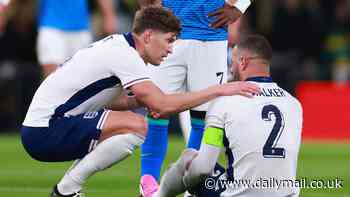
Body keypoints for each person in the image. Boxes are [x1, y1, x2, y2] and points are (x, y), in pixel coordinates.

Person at [20, 6, 260, 197]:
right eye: (168, 40)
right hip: (45, 131)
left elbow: (121, 102)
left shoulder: (118, 46)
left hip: (45, 126)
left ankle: (68, 189)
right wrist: (219, 90)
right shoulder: (125, 57)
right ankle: (67, 189)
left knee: (133, 122)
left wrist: (156, 101)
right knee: (137, 126)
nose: (170, 49)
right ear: (148, 36)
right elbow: (162, 106)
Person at [154, 35, 303, 197]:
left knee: (190, 158)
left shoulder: (224, 102)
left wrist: (188, 184)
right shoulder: (294, 104)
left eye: (232, 62)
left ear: (243, 62)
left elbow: (203, 168)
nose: (230, 69)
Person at [137, 0, 254, 192]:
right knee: (156, 110)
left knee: (207, 118)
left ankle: (192, 184)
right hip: (168, 33)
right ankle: (147, 185)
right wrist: (147, 11)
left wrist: (240, 6)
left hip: (211, 37)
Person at [37, 0, 117, 78]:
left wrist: (109, 16)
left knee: (81, 77)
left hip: (80, 29)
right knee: (52, 77)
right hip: (51, 27)